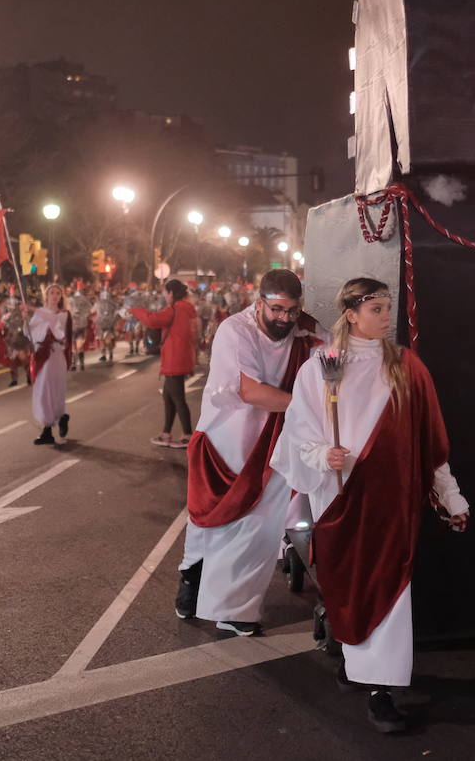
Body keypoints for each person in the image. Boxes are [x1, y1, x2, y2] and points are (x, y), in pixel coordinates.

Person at [272, 278, 469, 734]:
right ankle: (352, 652)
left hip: (392, 499)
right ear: (351, 314)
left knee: (391, 590)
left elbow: (430, 443)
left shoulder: (407, 366)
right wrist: (324, 455)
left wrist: (451, 495)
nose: (386, 317)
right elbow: (299, 433)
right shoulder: (322, 366)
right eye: (377, 309)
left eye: (388, 308)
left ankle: (381, 691)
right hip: (338, 495)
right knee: (347, 586)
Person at [175, 269, 327, 636]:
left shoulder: (306, 330)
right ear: (260, 302)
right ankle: (191, 579)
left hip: (273, 439)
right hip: (223, 440)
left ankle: (235, 611)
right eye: (277, 309)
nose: (284, 319)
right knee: (208, 522)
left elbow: (337, 359)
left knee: (258, 528)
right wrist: (306, 408)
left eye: (291, 311)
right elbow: (250, 390)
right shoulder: (234, 330)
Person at [130, 280, 199, 448]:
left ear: (172, 294)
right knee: (168, 396)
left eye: (166, 293)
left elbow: (152, 320)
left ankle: (188, 435)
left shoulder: (174, 310)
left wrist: (134, 310)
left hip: (174, 360)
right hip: (181, 357)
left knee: (177, 398)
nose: (164, 296)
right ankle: (165, 434)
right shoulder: (187, 310)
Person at [28, 284, 74, 445]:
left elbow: (57, 329)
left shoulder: (63, 314)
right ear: (46, 296)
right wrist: (25, 320)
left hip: (55, 355)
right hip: (40, 356)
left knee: (53, 391)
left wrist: (34, 311)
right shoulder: (39, 314)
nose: (54, 296)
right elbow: (30, 334)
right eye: (51, 293)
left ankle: (51, 426)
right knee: (42, 392)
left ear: (61, 297)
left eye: (57, 293)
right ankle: (53, 424)